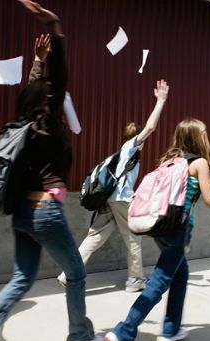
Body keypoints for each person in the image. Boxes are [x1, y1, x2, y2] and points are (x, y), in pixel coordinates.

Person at [0, 0, 102, 341]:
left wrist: (38, 62)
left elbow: (37, 90)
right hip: (45, 212)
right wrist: (56, 29)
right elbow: (59, 83)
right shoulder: (46, 122)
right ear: (49, 102)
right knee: (76, 272)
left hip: (22, 212)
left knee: (21, 279)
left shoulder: (25, 122)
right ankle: (80, 335)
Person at [104, 118, 210, 341]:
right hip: (178, 230)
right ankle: (124, 332)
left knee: (180, 274)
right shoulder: (199, 164)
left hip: (161, 227)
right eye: (204, 133)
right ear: (198, 138)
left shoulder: (169, 161)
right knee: (159, 283)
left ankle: (171, 329)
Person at [57, 80, 170, 293]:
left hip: (109, 200)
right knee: (133, 238)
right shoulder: (132, 147)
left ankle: (68, 274)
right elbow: (151, 127)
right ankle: (135, 280)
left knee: (94, 238)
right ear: (136, 137)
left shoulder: (121, 152)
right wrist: (160, 101)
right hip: (122, 200)